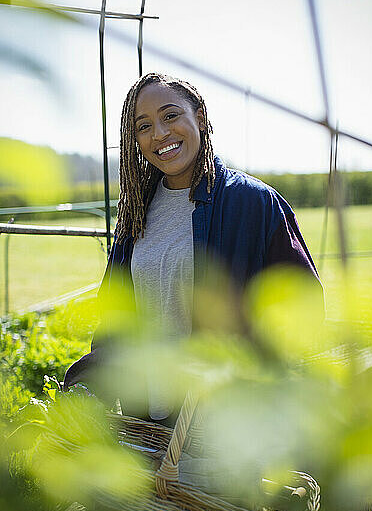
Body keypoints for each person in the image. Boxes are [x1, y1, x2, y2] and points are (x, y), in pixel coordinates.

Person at [63, 72, 324, 423]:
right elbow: (116, 322)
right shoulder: (136, 215)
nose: (160, 134)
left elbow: (302, 308)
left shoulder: (253, 203)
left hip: (225, 424)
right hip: (149, 423)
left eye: (171, 116)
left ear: (199, 117)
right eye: (143, 126)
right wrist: (89, 386)